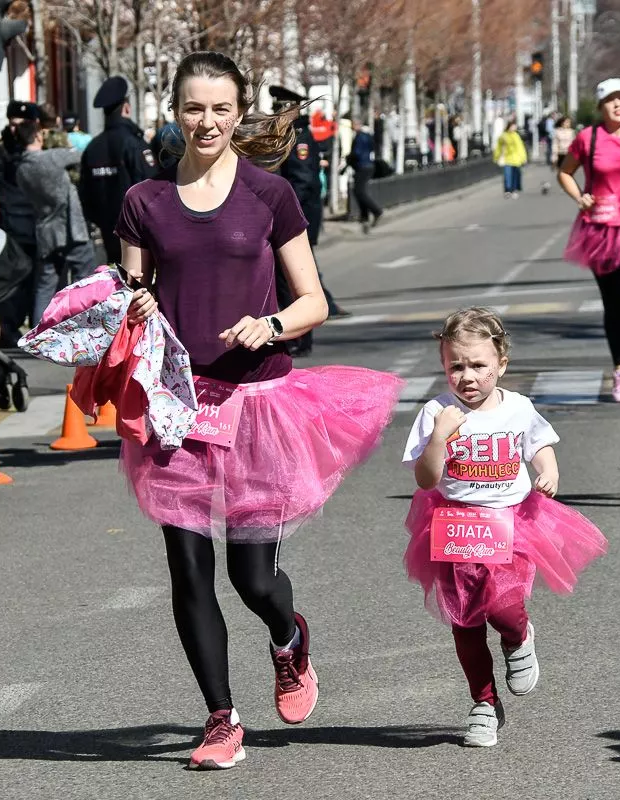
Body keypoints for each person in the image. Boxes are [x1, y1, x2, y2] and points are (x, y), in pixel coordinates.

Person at [114, 51, 402, 770]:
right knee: (188, 568)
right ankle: (220, 718)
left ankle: (288, 639)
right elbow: (125, 297)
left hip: (259, 401)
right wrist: (135, 304)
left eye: (218, 108)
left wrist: (270, 326)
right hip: (177, 403)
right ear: (173, 111)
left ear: (238, 113)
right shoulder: (143, 201)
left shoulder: (268, 195)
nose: (205, 121)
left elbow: (313, 301)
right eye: (192, 108)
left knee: (252, 580)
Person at [402, 307, 607, 747]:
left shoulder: (517, 407)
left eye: (478, 365)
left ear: (501, 365)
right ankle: (483, 702)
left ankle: (518, 637)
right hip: (454, 525)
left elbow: (540, 443)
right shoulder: (437, 411)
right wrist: (440, 437)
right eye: (456, 366)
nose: (467, 376)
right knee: (466, 621)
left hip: (510, 522)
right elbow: (425, 479)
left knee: (503, 608)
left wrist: (547, 471)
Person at [558, 78, 620, 403]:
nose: (617, 105)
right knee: (613, 303)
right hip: (600, 228)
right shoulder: (589, 138)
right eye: (610, 100)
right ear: (601, 106)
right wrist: (580, 197)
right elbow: (564, 172)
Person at [270, 85, 348, 358]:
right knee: (290, 277)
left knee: (294, 278)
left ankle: (299, 338)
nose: (276, 113)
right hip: (295, 216)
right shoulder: (287, 134)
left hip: (297, 218)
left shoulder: (298, 137)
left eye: (281, 109)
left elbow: (301, 181)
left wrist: (283, 214)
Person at [13, 120, 95, 327]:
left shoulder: (21, 170)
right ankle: (81, 326)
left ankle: (39, 330)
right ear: (38, 136)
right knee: (83, 277)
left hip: (45, 230)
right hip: (71, 228)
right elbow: (79, 153)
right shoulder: (51, 157)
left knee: (46, 284)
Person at [80, 76, 157, 264]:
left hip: (109, 235)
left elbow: (85, 198)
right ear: (126, 108)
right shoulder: (134, 144)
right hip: (140, 238)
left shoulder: (92, 148)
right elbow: (155, 189)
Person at [0, 101, 41, 348]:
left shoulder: (39, 148)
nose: (15, 130)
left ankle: (37, 331)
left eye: (21, 125)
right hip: (12, 228)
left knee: (38, 283)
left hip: (39, 226)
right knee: (11, 287)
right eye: (12, 124)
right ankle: (8, 333)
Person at [344, 117, 383, 233]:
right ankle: (365, 217)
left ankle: (375, 211)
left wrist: (349, 157)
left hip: (362, 166)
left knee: (359, 191)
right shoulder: (367, 136)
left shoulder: (359, 137)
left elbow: (357, 153)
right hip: (368, 165)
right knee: (360, 191)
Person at [493, 121, 527, 198]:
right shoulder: (503, 136)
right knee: (507, 175)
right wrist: (496, 157)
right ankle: (507, 190)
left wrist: (523, 157)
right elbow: (498, 147)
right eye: (513, 126)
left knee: (516, 175)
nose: (514, 128)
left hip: (516, 159)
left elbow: (520, 148)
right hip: (507, 159)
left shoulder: (516, 136)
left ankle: (514, 190)